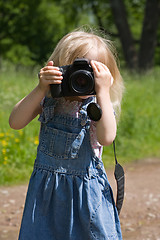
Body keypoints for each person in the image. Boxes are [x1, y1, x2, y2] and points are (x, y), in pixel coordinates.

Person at [9, 27, 124, 240]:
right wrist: (41, 88)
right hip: (46, 196)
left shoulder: (97, 106)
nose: (82, 79)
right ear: (61, 69)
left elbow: (107, 138)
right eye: (75, 72)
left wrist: (103, 93)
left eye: (91, 74)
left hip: (86, 196)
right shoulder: (49, 100)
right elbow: (15, 122)